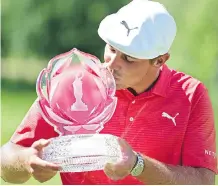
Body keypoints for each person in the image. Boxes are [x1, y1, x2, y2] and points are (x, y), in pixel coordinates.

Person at [1, 0, 217, 184]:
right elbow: (6, 161)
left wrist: (137, 165)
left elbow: (203, 180)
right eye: (111, 49)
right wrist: (28, 160)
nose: (112, 64)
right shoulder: (73, 82)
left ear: (160, 60)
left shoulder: (191, 95)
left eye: (129, 58)